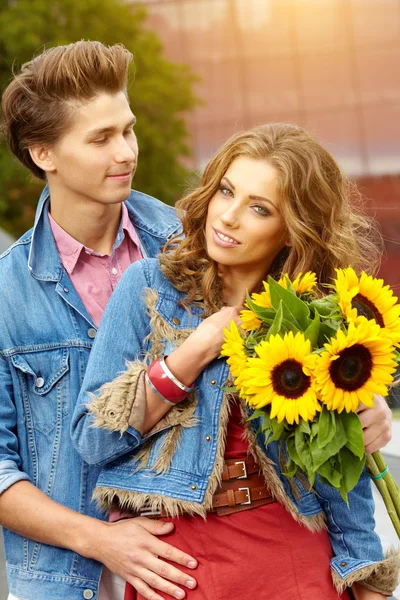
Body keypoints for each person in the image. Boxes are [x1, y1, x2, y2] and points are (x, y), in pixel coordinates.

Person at [72, 123, 399, 600]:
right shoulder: (148, 288)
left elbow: (338, 477)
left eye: (259, 208)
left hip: (294, 560)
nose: (227, 217)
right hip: (180, 566)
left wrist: (367, 584)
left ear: (293, 229)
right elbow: (93, 439)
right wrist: (192, 354)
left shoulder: (315, 318)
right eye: (227, 190)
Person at [0, 41, 200, 600]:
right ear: (44, 154)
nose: (126, 152)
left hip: (193, 563)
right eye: (101, 138)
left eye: (127, 130)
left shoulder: (194, 246)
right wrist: (102, 541)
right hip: (69, 581)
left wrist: (361, 400)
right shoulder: (4, 295)